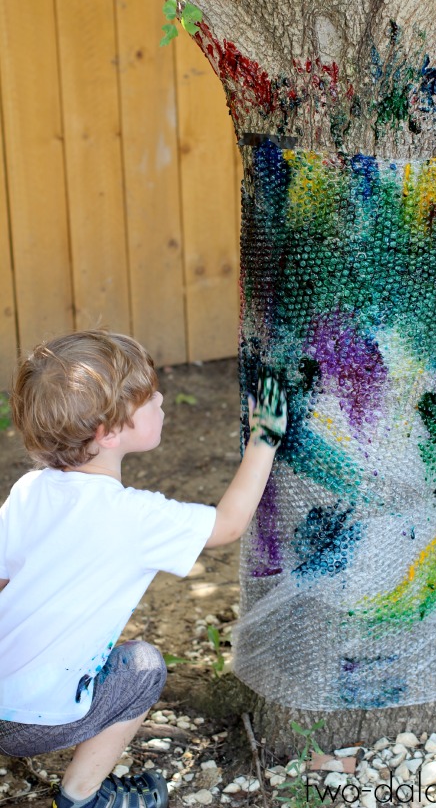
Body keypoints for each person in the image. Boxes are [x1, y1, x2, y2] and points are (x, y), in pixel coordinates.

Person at [0, 330, 287, 808]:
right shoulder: (136, 517)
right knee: (143, 667)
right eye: (147, 397)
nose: (160, 398)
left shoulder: (30, 490)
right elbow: (229, 525)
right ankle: (82, 796)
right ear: (108, 433)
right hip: (33, 724)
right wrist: (264, 438)